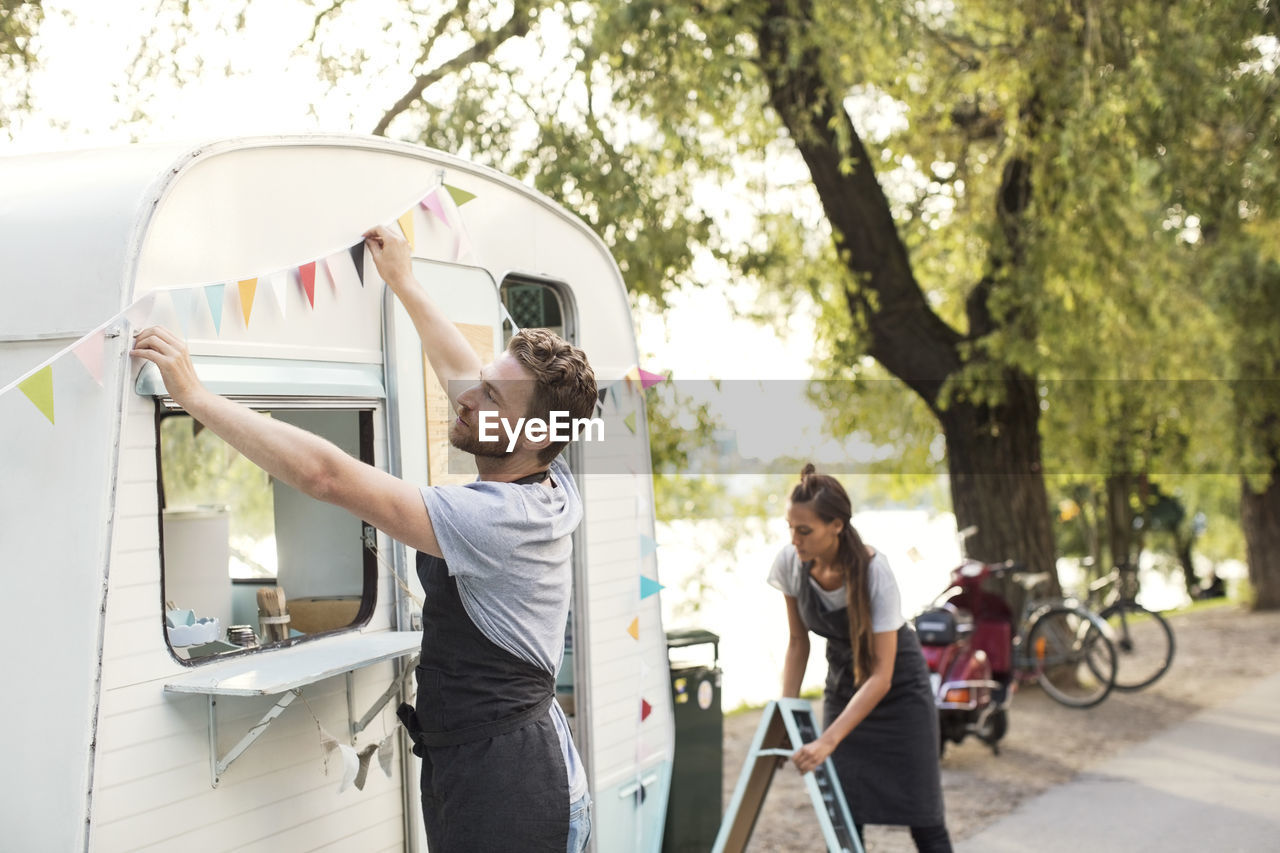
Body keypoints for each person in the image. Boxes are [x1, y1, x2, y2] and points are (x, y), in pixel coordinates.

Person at [131, 224, 595, 852]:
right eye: (483, 382)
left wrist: (194, 396)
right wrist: (404, 280)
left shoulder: (499, 518)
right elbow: (464, 371)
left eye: (490, 397)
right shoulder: (549, 469)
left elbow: (327, 477)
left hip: (507, 782)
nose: (467, 398)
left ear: (534, 434)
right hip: (497, 758)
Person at [769, 464, 951, 852]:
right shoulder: (790, 563)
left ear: (836, 525)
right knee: (845, 812)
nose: (795, 540)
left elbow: (882, 675)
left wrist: (827, 741)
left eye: (805, 531)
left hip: (899, 692)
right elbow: (798, 643)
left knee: (924, 816)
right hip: (844, 685)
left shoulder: (873, 571)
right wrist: (787, 711)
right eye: (790, 528)